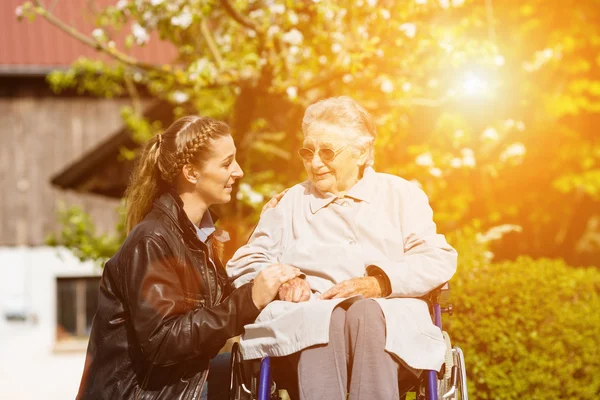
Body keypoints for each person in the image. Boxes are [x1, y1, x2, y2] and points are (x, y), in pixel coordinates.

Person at [227, 97, 458, 400]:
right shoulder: (289, 203)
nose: (315, 162)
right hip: (305, 335)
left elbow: (437, 258)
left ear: (361, 152)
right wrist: (281, 280)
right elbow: (245, 262)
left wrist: (380, 282)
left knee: (366, 313)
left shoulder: (402, 196)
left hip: (390, 338)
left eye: (327, 152)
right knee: (325, 318)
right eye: (308, 152)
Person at [77, 116, 301, 400]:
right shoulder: (153, 240)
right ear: (191, 173)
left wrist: (266, 231)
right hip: (144, 394)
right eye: (226, 163)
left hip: (177, 384)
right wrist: (250, 299)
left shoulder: (197, 239)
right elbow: (163, 340)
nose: (239, 171)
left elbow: (219, 310)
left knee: (274, 365)